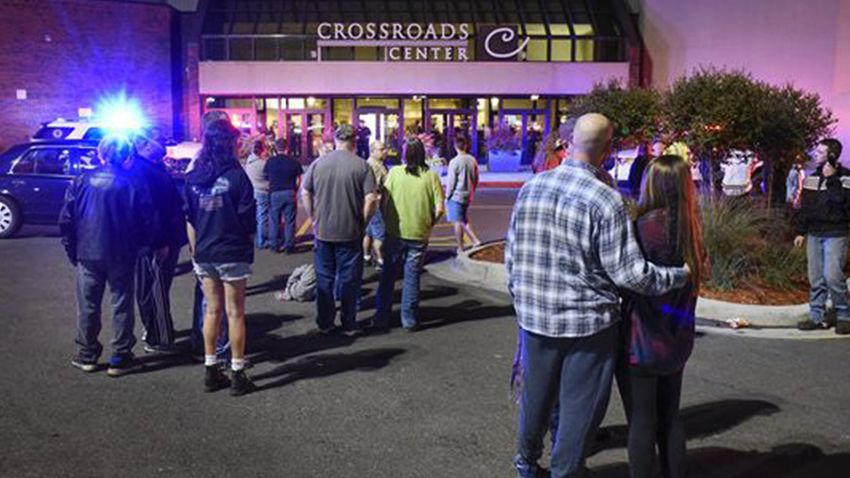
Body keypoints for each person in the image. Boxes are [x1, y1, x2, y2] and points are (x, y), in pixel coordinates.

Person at [506, 113, 690, 478]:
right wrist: (679, 276)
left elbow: (513, 255)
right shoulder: (605, 201)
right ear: (607, 150)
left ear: (570, 141)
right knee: (580, 408)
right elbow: (629, 273)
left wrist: (522, 298)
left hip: (535, 317)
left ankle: (526, 463)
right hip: (586, 325)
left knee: (536, 398)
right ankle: (566, 471)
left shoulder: (531, 187)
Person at [621, 155, 707, 478]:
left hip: (641, 338)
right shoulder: (693, 228)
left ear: (651, 184)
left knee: (642, 419)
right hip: (678, 336)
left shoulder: (642, 227)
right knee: (670, 416)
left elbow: (628, 278)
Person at [59, 135, 155, 377]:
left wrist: (73, 250)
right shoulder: (132, 183)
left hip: (88, 251)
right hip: (122, 251)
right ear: (125, 156)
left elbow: (67, 220)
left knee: (88, 305)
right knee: (121, 303)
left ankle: (87, 354)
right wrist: (144, 246)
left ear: (101, 154)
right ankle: (120, 356)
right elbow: (146, 220)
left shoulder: (81, 180)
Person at [183, 119, 257, 396]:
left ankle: (210, 369)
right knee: (235, 312)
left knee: (212, 311)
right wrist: (246, 247)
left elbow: (189, 219)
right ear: (230, 143)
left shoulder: (193, 178)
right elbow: (248, 221)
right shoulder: (238, 177)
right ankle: (237, 373)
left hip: (204, 252)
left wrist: (195, 252)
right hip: (231, 250)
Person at [300, 124, 379, 336]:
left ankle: (325, 323)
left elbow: (305, 191)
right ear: (354, 141)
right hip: (350, 231)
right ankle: (348, 323)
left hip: (323, 231)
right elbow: (371, 199)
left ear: (335, 141)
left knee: (324, 278)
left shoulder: (319, 164)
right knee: (349, 280)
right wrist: (363, 221)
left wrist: (313, 216)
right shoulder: (362, 166)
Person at [372, 137, 445, 332]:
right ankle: (409, 319)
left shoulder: (395, 173)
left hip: (395, 231)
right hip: (419, 233)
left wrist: (386, 221)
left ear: (404, 155)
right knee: (412, 276)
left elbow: (384, 201)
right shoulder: (431, 176)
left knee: (388, 275)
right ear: (423, 154)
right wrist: (429, 224)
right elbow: (439, 209)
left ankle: (381, 317)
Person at [127, 129, 188, 353]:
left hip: (163, 239)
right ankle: (160, 337)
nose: (163, 145)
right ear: (145, 144)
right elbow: (149, 210)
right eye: (159, 141)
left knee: (153, 289)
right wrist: (158, 242)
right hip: (156, 242)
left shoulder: (151, 167)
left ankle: (153, 329)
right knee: (155, 291)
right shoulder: (143, 171)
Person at [794, 138, 850, 335]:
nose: (815, 155)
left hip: (836, 233)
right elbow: (805, 208)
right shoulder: (812, 178)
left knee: (833, 276)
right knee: (816, 277)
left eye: (819, 152)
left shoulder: (845, 179)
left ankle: (844, 316)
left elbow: (843, 205)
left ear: (832, 156)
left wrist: (832, 180)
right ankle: (816, 317)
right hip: (814, 234)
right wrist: (801, 231)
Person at [265, 138, 304, 253]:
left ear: (276, 148)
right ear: (287, 147)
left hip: (275, 193)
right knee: (290, 220)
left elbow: (266, 179)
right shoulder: (294, 161)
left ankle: (274, 244)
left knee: (274, 220)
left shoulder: (270, 161)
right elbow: (298, 179)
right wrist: (295, 190)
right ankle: (289, 245)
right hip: (289, 192)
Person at [446, 135, 482, 253]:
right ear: (466, 146)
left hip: (456, 195)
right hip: (468, 194)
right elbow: (476, 178)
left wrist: (447, 195)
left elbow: (451, 181)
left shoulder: (454, 162)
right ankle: (474, 240)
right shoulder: (472, 160)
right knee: (463, 219)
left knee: (458, 221)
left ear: (455, 147)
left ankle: (462, 246)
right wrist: (472, 190)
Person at [364, 140, 389, 268]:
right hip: (376, 204)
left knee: (368, 232)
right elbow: (381, 187)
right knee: (380, 235)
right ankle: (380, 260)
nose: (385, 151)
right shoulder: (376, 166)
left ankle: (366, 256)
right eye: (381, 149)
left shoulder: (368, 163)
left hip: (368, 203)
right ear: (373, 151)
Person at [244, 138, 271, 249]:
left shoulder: (249, 162)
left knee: (256, 216)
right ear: (261, 150)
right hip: (263, 191)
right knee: (263, 217)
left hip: (253, 190)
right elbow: (269, 177)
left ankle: (256, 238)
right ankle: (262, 240)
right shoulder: (263, 164)